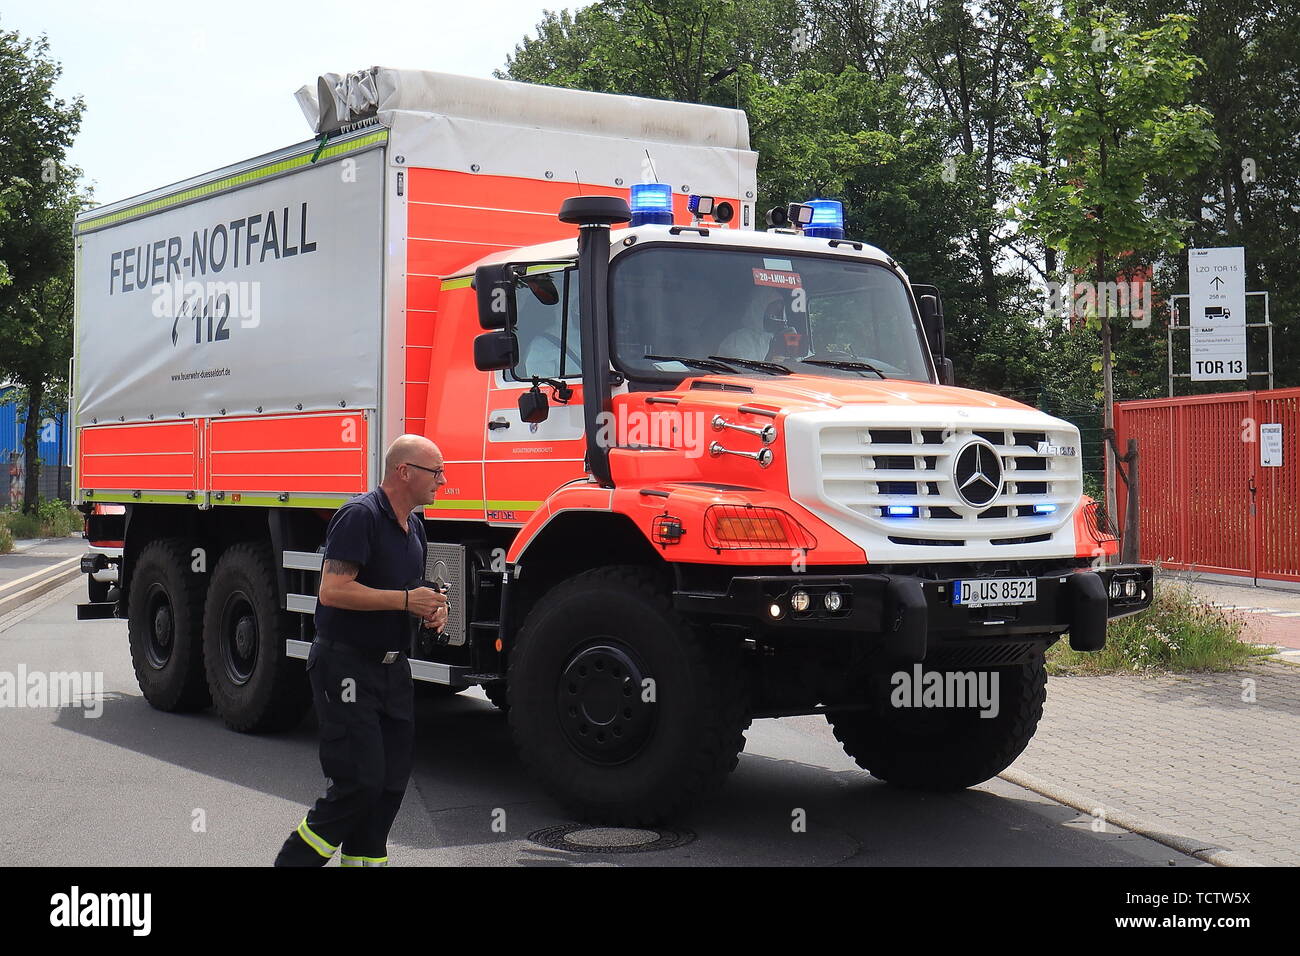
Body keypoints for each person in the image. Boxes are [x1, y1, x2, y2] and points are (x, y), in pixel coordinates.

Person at [274, 434, 448, 867]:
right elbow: (333, 590)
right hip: (345, 667)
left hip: (392, 671)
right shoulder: (360, 516)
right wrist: (408, 601)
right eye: (436, 472)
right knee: (358, 784)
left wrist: (428, 607)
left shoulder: (415, 526)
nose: (442, 481)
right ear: (404, 472)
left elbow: (401, 591)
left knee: (390, 785)